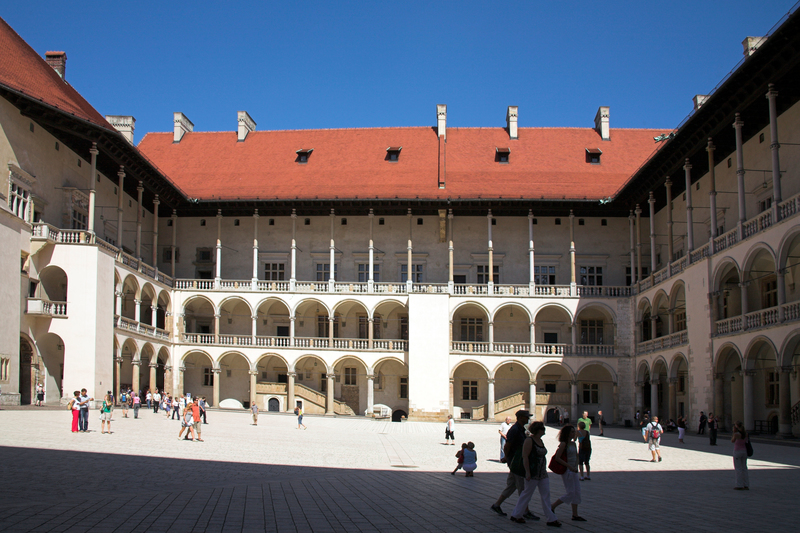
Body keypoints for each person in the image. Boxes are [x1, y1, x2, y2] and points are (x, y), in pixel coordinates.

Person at [508, 421, 560, 526]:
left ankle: (551, 518)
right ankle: (516, 514)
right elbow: (525, 456)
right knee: (527, 494)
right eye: (542, 429)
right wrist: (527, 472)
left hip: (542, 473)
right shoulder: (529, 440)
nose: (544, 431)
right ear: (537, 430)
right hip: (532, 472)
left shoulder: (540, 440)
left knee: (546, 495)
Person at [491, 410, 539, 521]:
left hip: (516, 461)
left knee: (512, 485)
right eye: (526, 417)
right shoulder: (515, 429)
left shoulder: (521, 429)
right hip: (516, 462)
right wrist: (507, 458)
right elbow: (507, 446)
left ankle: (497, 505)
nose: (528, 419)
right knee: (522, 488)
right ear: (520, 417)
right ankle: (525, 511)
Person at [551, 425, 585, 522]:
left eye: (574, 432)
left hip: (573, 470)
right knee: (570, 493)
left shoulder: (573, 444)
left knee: (577, 492)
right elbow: (558, 458)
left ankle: (575, 514)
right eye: (571, 432)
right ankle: (552, 506)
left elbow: (576, 455)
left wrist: (576, 466)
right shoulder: (563, 444)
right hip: (567, 470)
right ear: (567, 433)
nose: (573, 434)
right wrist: (569, 466)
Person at [731, 421, 750, 490]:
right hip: (744, 451)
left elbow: (732, 441)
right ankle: (746, 484)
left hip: (737, 451)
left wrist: (734, 432)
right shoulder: (746, 434)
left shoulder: (736, 434)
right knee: (744, 468)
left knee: (738, 468)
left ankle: (739, 484)